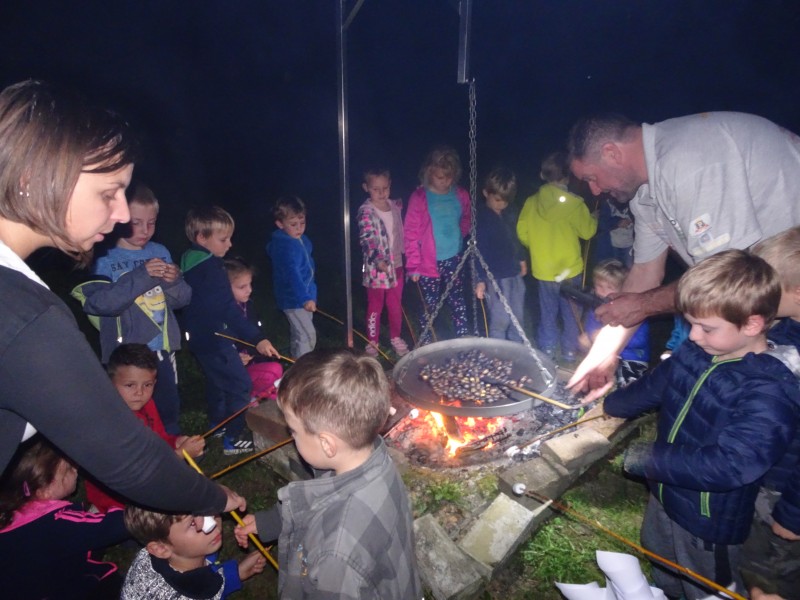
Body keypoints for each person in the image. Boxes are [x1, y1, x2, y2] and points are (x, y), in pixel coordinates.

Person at [0, 80, 243, 515]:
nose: (123, 213)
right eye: (108, 192)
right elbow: (128, 458)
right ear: (32, 181)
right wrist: (214, 498)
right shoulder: (25, 317)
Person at [604, 250, 800, 600]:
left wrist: (649, 459)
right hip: (665, 493)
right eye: (690, 322)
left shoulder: (770, 389)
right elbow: (658, 384)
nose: (693, 335)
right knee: (661, 559)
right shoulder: (699, 351)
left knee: (704, 587)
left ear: (752, 324)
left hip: (709, 521)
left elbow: (732, 464)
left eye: (706, 328)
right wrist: (612, 404)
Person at [567, 112, 800, 400]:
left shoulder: (691, 161)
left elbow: (726, 281)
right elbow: (644, 274)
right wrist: (604, 355)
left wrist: (644, 305)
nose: (594, 190)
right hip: (767, 298)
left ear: (611, 153)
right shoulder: (647, 194)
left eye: (591, 178)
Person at [234, 348, 422, 599]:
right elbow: (320, 498)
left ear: (327, 445)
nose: (291, 436)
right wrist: (269, 522)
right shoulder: (373, 459)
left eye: (293, 431)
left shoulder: (335, 554)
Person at [71, 182, 189, 435]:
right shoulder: (104, 257)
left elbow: (182, 300)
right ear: (120, 218)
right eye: (136, 223)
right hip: (125, 354)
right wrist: (142, 276)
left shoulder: (160, 251)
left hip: (161, 350)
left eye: (151, 223)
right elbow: (100, 304)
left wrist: (174, 281)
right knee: (129, 415)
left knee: (167, 408)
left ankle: (171, 449)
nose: (145, 230)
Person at [181, 206, 279, 456]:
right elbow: (228, 309)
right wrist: (257, 338)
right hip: (217, 339)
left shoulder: (191, 261)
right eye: (223, 239)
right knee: (240, 385)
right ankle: (233, 438)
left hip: (201, 338)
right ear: (202, 238)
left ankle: (218, 424)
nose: (230, 244)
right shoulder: (211, 269)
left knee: (217, 382)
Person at [739, 226, 800, 599]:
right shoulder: (788, 328)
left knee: (771, 578)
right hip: (769, 473)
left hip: (786, 492)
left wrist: (794, 514)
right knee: (754, 561)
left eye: (765, 285)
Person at [0, 437, 129, 599]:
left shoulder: (9, 514)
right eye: (68, 469)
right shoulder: (58, 521)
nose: (75, 469)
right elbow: (116, 526)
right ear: (44, 491)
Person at [85, 344, 206, 513]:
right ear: (110, 383)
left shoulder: (148, 404)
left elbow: (159, 440)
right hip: (116, 504)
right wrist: (179, 454)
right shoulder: (109, 420)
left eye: (147, 385)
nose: (140, 393)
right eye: (130, 385)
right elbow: (137, 472)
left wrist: (177, 442)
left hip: (147, 489)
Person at [517, 151, 597, 363]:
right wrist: (594, 218)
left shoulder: (531, 202)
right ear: (567, 177)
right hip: (570, 269)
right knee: (571, 313)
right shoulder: (575, 204)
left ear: (543, 175)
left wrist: (536, 246)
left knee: (547, 312)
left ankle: (548, 349)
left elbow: (522, 232)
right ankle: (569, 351)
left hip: (544, 270)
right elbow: (587, 232)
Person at [122, 504, 266, 599]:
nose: (212, 521)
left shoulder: (152, 554)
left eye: (205, 508)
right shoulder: (196, 594)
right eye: (192, 523)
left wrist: (238, 572)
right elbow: (208, 590)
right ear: (161, 549)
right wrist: (235, 575)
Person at [404, 145, 472, 344]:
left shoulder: (460, 195)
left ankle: (462, 335)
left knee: (457, 298)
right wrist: (413, 264)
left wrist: (459, 236)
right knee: (429, 303)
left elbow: (466, 218)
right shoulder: (420, 198)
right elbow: (410, 232)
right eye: (440, 177)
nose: (445, 181)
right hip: (428, 262)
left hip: (454, 257)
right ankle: (427, 339)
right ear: (429, 173)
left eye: (449, 177)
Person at [357, 167, 409, 357]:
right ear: (366, 188)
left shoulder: (394, 205)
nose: (381, 193)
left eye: (385, 188)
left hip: (397, 264)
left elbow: (401, 205)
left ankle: (395, 337)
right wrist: (378, 259)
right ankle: (373, 340)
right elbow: (367, 239)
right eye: (375, 189)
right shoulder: (366, 212)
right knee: (375, 305)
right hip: (376, 269)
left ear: (390, 186)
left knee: (395, 304)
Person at [473, 167, 527, 342]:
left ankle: (517, 350)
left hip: (514, 273)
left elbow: (515, 239)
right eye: (497, 199)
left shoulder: (509, 214)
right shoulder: (482, 218)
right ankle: (498, 350)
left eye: (506, 200)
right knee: (500, 319)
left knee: (517, 316)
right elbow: (478, 251)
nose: (502, 204)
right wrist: (480, 279)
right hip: (495, 276)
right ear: (486, 193)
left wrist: (522, 259)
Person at [578, 259, 649, 386]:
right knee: (590, 376)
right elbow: (591, 325)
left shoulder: (632, 310)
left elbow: (639, 341)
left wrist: (606, 338)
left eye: (609, 288)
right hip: (606, 353)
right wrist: (589, 336)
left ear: (622, 289)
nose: (602, 291)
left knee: (627, 386)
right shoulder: (597, 306)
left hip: (631, 357)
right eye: (599, 286)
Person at [266, 196, 317, 359]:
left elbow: (308, 270)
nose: (299, 228)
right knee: (308, 335)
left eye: (302, 223)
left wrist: (311, 295)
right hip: (293, 299)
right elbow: (292, 275)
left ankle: (295, 362)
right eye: (293, 224)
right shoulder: (285, 247)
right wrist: (304, 299)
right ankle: (304, 366)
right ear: (280, 224)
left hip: (305, 297)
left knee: (299, 333)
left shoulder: (303, 240)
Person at [224, 257, 283, 400]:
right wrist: (234, 356)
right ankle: (249, 398)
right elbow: (220, 345)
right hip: (231, 373)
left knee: (276, 370)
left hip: (252, 364)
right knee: (272, 372)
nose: (249, 290)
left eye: (250, 284)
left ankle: (260, 396)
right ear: (224, 288)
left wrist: (261, 350)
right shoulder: (221, 313)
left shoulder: (248, 306)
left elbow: (255, 333)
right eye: (242, 287)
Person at [592, 193, 634, 268]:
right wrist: (618, 222)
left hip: (630, 245)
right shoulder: (607, 202)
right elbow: (602, 223)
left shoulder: (634, 202)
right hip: (611, 246)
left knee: (629, 271)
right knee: (611, 270)